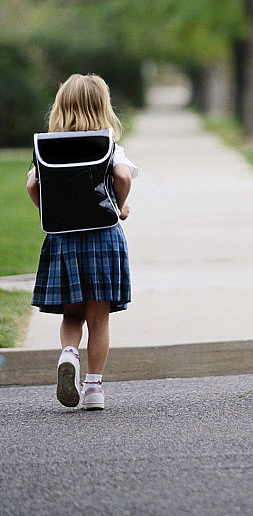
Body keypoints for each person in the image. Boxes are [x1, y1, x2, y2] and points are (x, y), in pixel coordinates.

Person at [27, 73, 138, 409]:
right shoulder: (108, 145)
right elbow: (120, 176)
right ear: (103, 107)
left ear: (60, 108)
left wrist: (49, 210)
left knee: (72, 315)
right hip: (103, 237)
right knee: (98, 319)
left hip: (64, 240)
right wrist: (120, 206)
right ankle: (93, 389)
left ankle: (69, 353)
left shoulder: (47, 147)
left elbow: (33, 186)